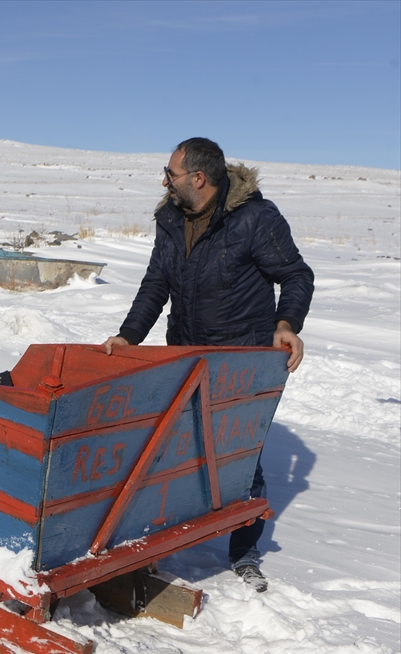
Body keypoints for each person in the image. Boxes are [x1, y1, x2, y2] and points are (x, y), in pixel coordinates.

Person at [103, 137, 314, 593]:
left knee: (241, 456)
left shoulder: (255, 218)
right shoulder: (172, 219)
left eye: (171, 173)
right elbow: (156, 281)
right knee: (176, 447)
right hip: (185, 353)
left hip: (242, 358)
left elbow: (296, 274)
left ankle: (244, 550)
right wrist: (128, 336)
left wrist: (287, 323)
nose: (165, 180)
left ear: (199, 178)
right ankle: (166, 538)